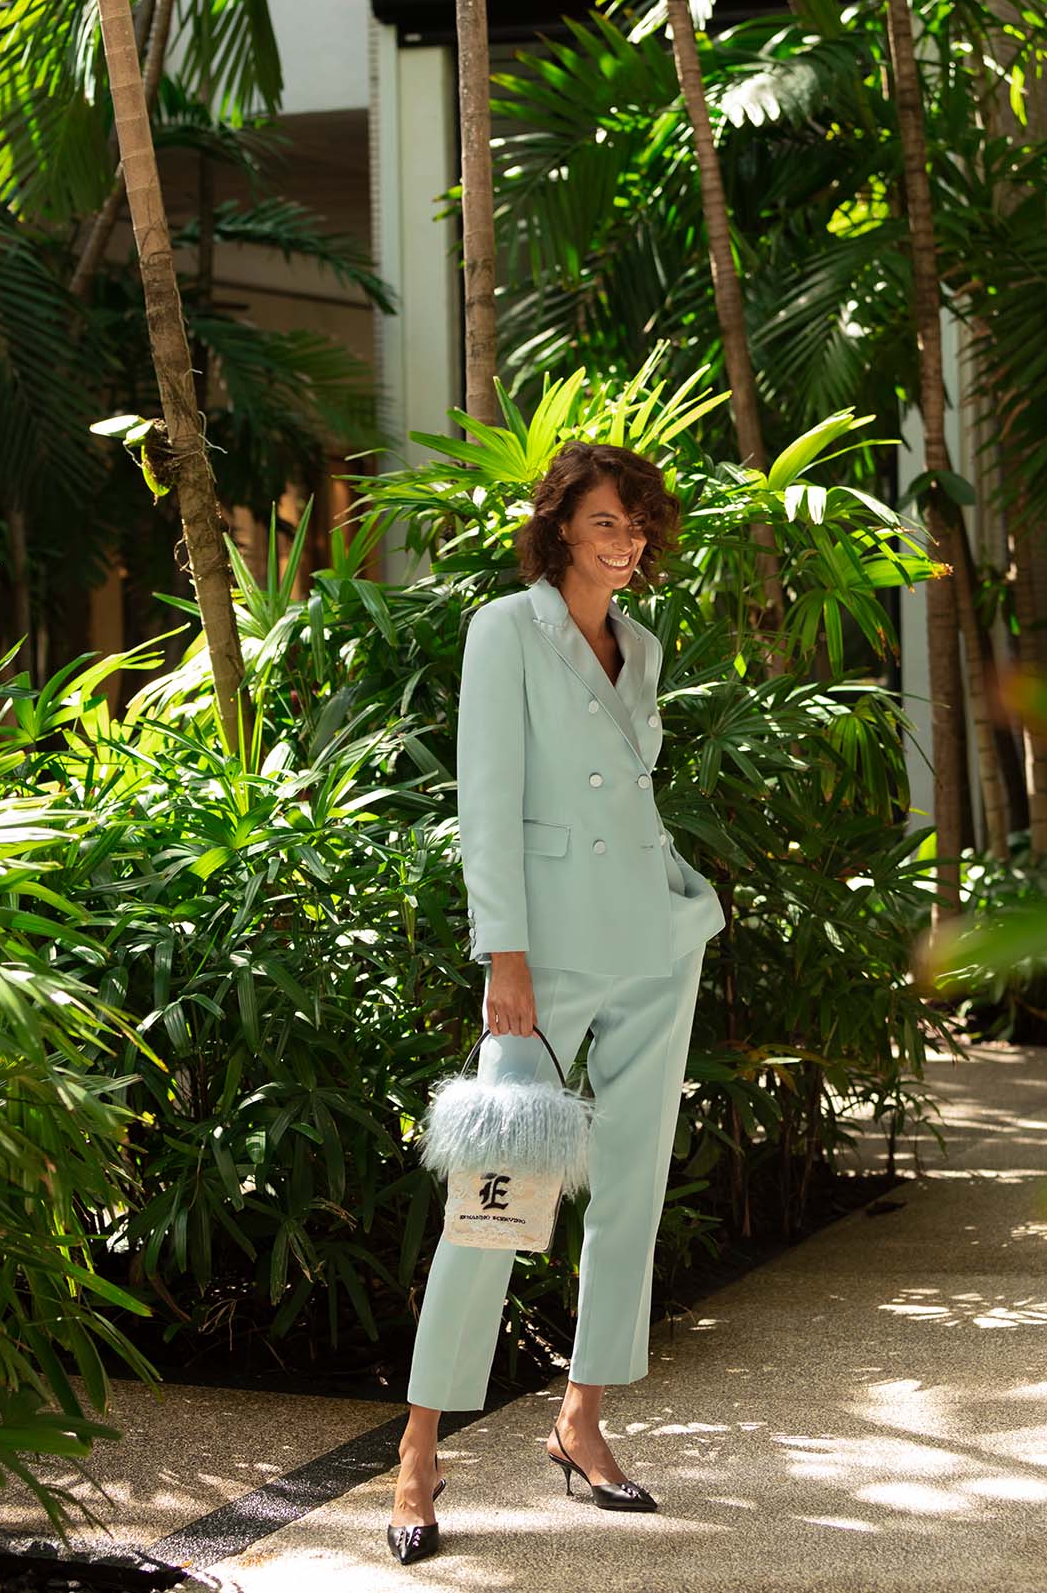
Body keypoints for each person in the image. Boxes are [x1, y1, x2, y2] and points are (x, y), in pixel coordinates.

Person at [386, 440, 726, 1564]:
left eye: (634, 525)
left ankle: (581, 1420)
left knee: (630, 1188)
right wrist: (505, 958)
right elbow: (486, 801)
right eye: (602, 524)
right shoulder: (505, 629)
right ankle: (419, 1446)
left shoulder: (646, 645)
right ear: (559, 528)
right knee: (496, 1193)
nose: (622, 544)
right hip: (546, 956)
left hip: (651, 938)